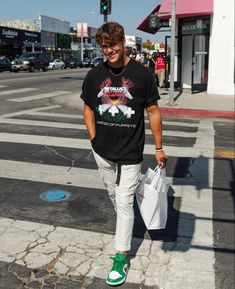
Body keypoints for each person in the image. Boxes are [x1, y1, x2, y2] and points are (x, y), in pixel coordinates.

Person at [80, 22, 167, 287]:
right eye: (105, 46)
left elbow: (153, 111)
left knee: (125, 202)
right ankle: (125, 218)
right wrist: (94, 139)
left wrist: (159, 147)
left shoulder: (141, 75)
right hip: (102, 151)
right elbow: (88, 109)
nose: (109, 51)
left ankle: (121, 256)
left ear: (123, 43)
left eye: (113, 45)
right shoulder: (95, 75)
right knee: (114, 197)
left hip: (130, 151)